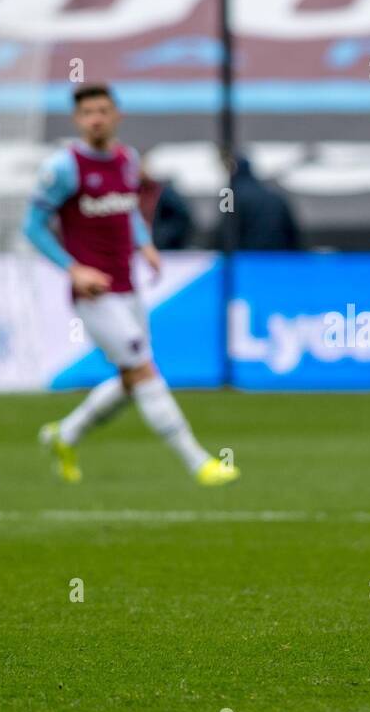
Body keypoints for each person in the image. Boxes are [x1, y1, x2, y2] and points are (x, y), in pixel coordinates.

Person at [23, 83, 239, 487]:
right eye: (88, 113)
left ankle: (63, 435)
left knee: (130, 379)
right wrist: (73, 269)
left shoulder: (127, 160)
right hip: (94, 295)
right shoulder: (64, 168)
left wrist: (145, 243)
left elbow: (128, 211)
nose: (96, 119)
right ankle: (199, 463)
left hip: (129, 287)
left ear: (117, 115)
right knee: (143, 370)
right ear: (78, 120)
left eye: (103, 110)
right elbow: (31, 227)